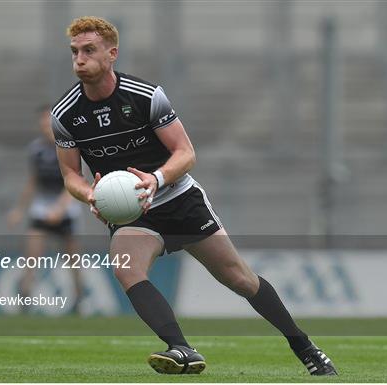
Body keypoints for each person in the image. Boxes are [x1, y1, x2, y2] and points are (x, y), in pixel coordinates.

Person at [51, 16, 337, 376]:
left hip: (178, 199)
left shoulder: (145, 96)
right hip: (133, 213)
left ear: (112, 54)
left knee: (240, 279)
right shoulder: (64, 114)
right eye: (75, 51)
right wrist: (90, 194)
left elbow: (185, 153)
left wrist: (156, 179)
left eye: (89, 50)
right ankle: (181, 348)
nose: (79, 59)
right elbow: (70, 175)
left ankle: (304, 346)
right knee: (126, 270)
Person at [8, 105, 84, 313]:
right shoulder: (36, 149)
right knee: (32, 254)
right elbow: (33, 181)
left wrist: (60, 209)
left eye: (49, 122)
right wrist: (19, 209)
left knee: (72, 257)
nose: (45, 126)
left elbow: (75, 181)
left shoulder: (70, 147)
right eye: (42, 122)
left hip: (66, 209)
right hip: (42, 208)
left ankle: (79, 298)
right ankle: (25, 297)